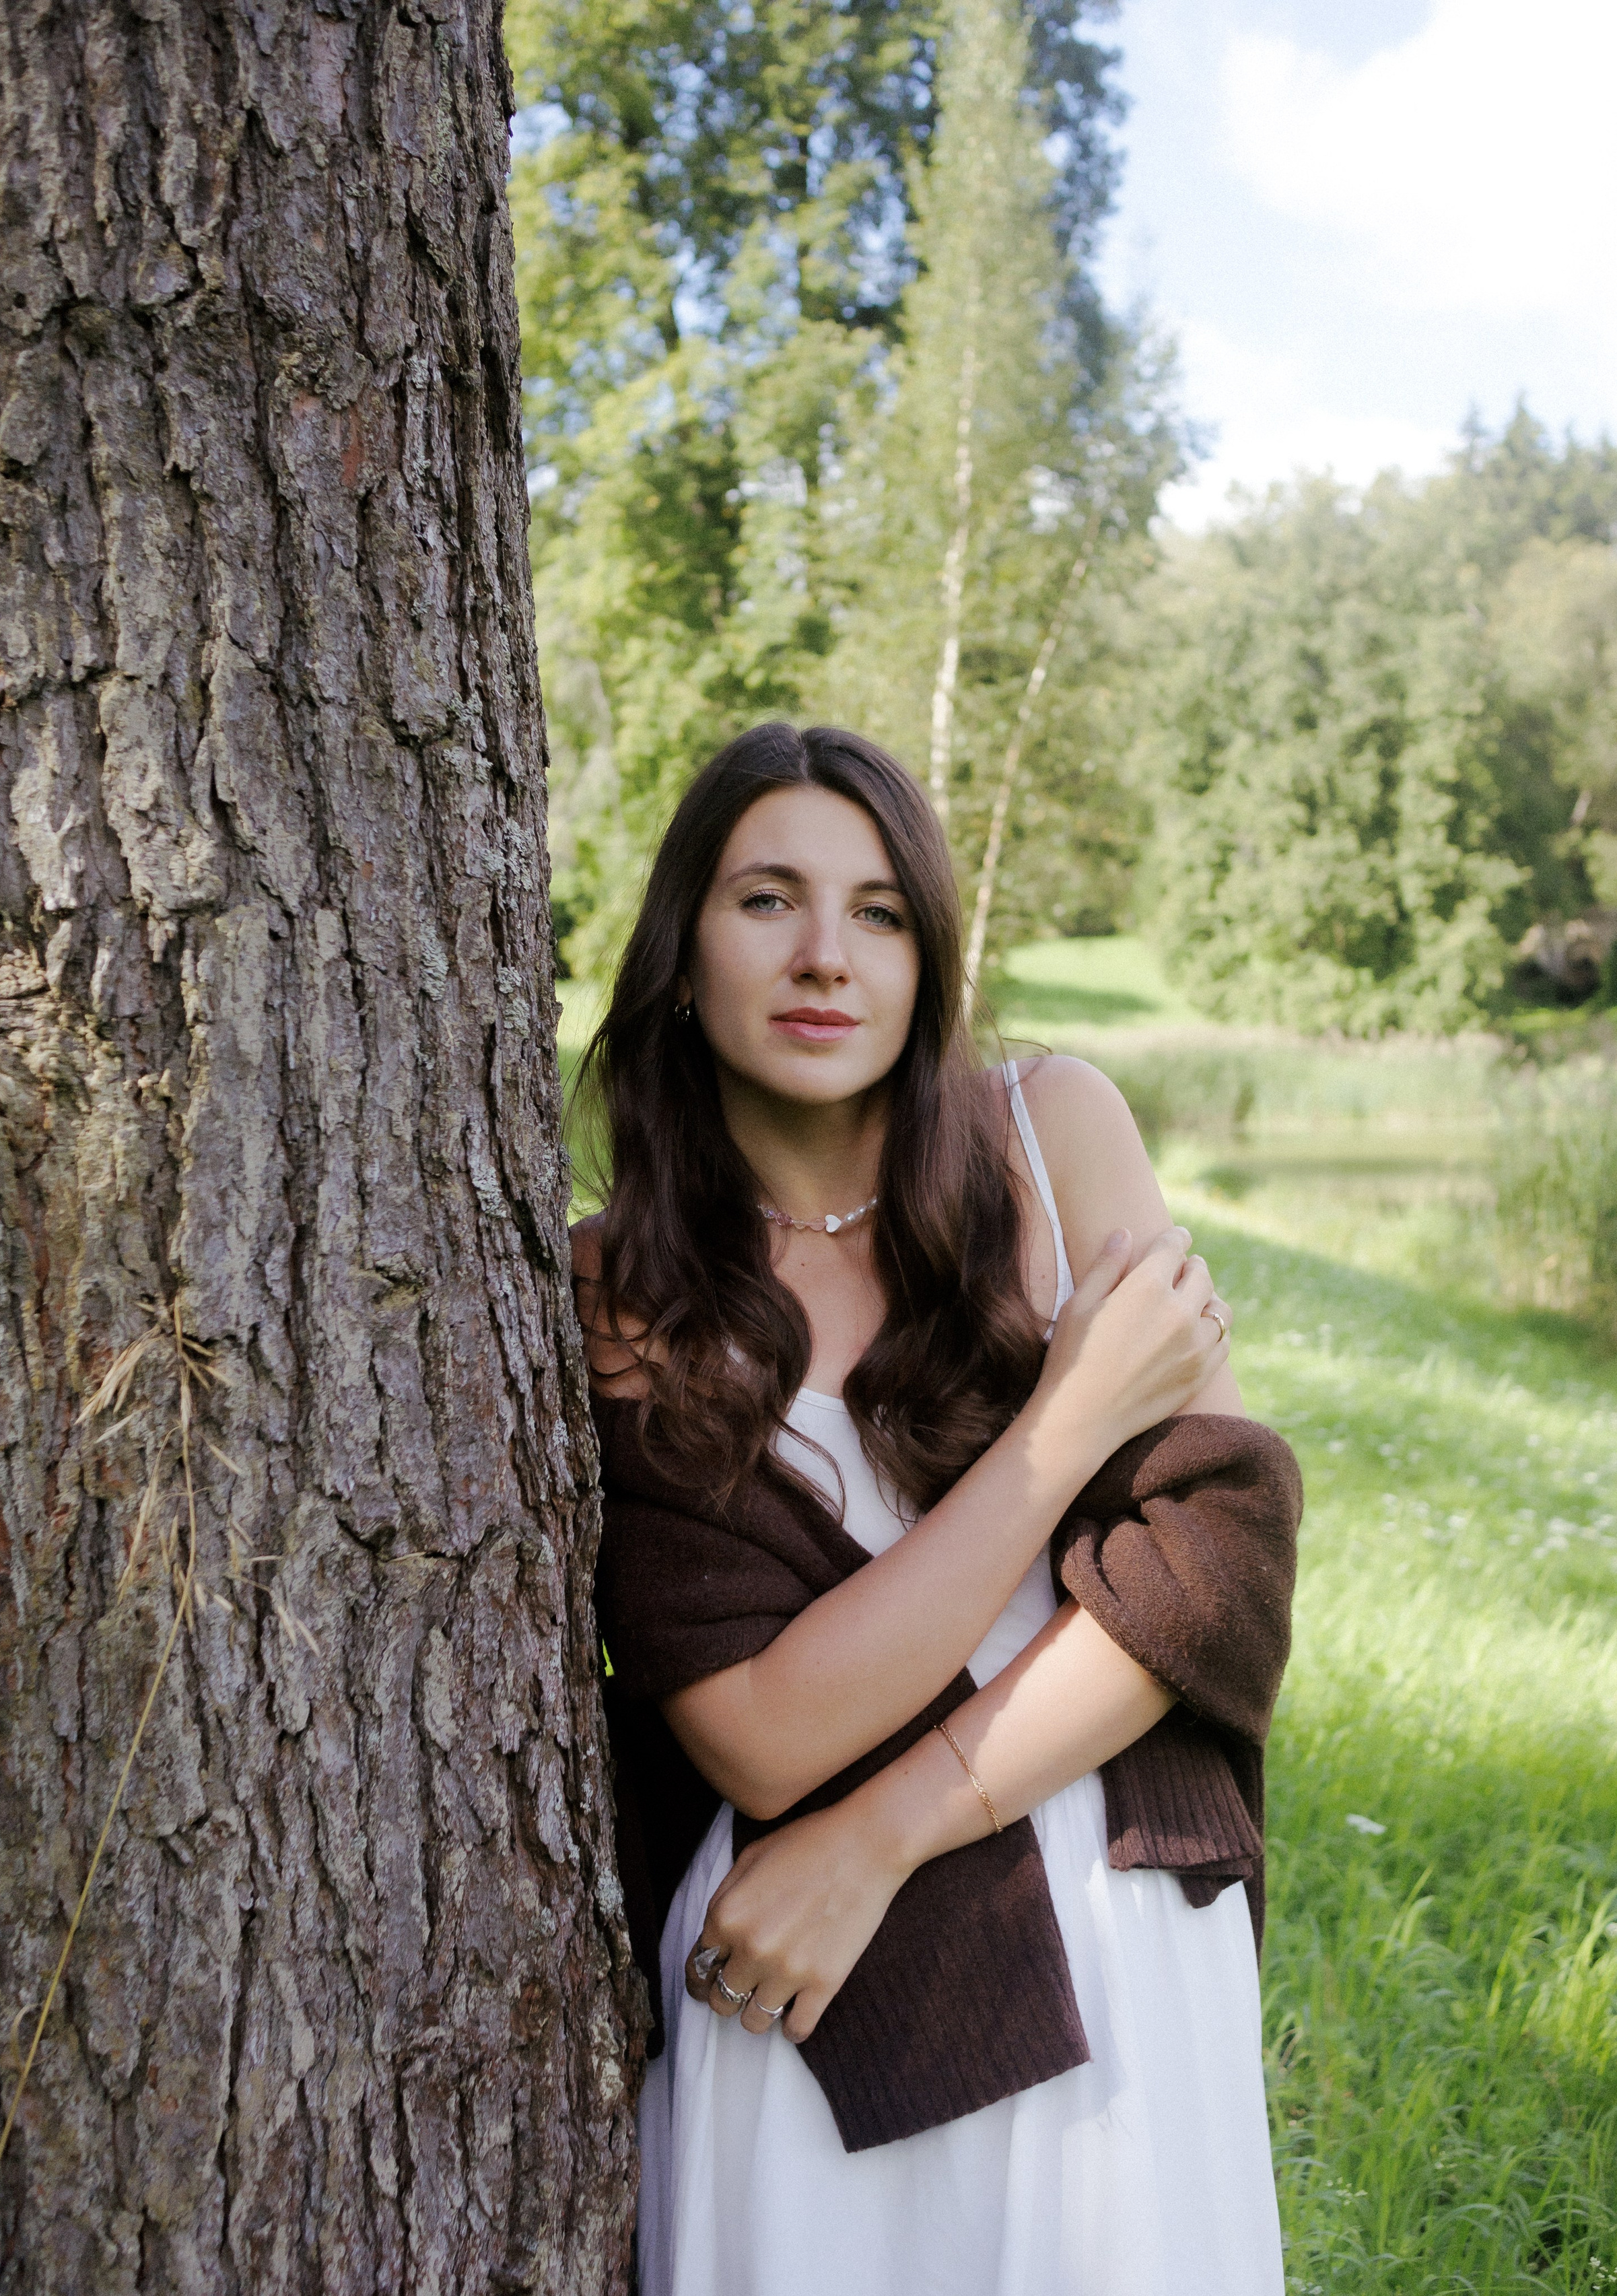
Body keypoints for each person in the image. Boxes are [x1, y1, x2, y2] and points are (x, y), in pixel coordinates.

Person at [572, 722, 1292, 2295]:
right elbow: (759, 1730)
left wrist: (881, 1834)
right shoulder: (619, 1285)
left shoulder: (1052, 1133)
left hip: (1099, 1920)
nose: (827, 955)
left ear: (926, 959)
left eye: (880, 912)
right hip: (812, 1985)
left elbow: (1220, 1566)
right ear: (681, 950)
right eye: (767, 900)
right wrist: (1072, 1421)